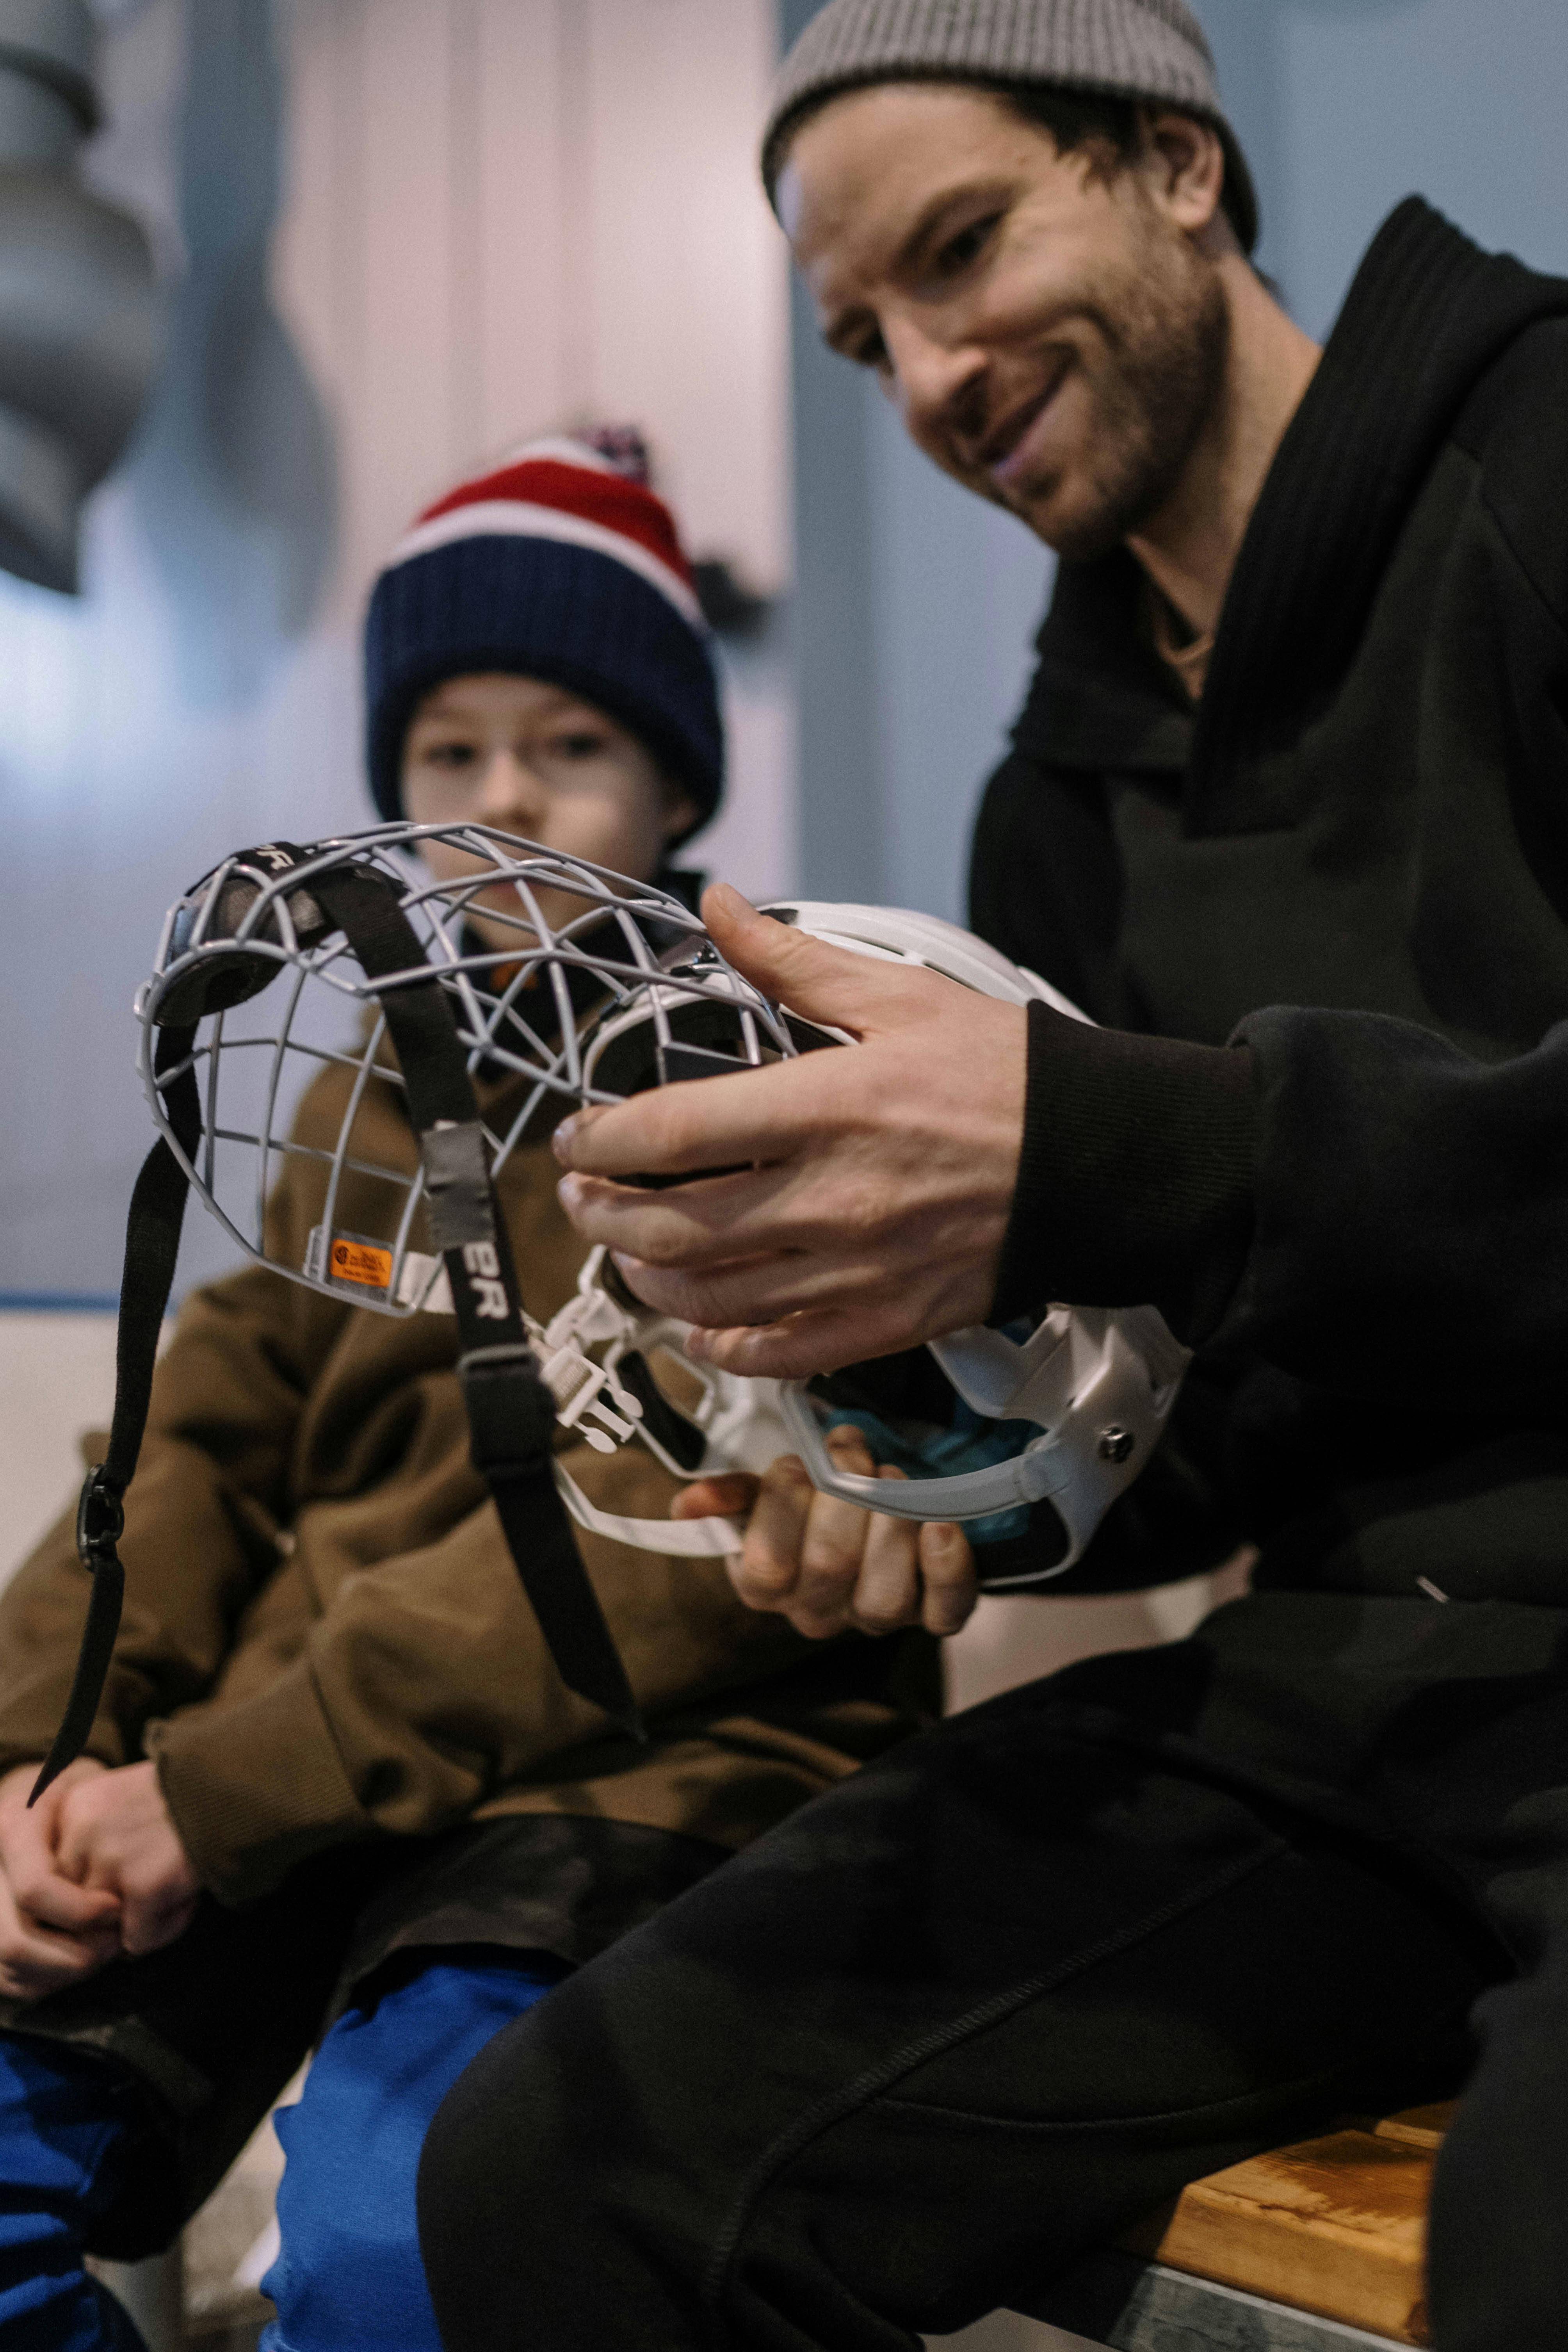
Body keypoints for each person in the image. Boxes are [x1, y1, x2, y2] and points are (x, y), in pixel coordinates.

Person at [415, 11, 1568, 2352]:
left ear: (1171, 164)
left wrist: (1109, 1142)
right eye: (865, 341)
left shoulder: (1540, 463)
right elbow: (1199, 1428)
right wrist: (931, 1478)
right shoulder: (1054, 796)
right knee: (565, 2160)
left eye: (960, 251)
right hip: (1348, 1705)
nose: (928, 373)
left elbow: (1191, 1182)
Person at [0, 433, 958, 2352]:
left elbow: (677, 1540)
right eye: (448, 750)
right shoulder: (350, 1085)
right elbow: (196, 1440)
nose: (504, 791)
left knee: (404, 2241)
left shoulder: (776, 1069)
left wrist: (219, 1785)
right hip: (308, 1786)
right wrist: (41, 1739)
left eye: (569, 743)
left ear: (677, 775)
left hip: (634, 1782)